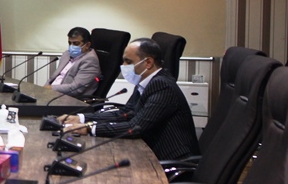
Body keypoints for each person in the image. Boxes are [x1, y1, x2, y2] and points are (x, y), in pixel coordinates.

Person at [59, 37, 198, 161]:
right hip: (151, 151)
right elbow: (126, 113)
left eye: (128, 61)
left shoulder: (162, 86)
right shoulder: (146, 82)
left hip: (172, 160)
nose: (123, 66)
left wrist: (89, 128)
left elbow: (135, 127)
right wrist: (81, 119)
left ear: (148, 62)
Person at [45, 26, 100, 98]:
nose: (71, 46)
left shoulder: (90, 60)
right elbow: (53, 78)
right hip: (52, 94)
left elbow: (76, 89)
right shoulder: (67, 54)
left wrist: (50, 88)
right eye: (70, 43)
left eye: (76, 43)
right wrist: (43, 89)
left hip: (69, 99)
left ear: (87, 45)